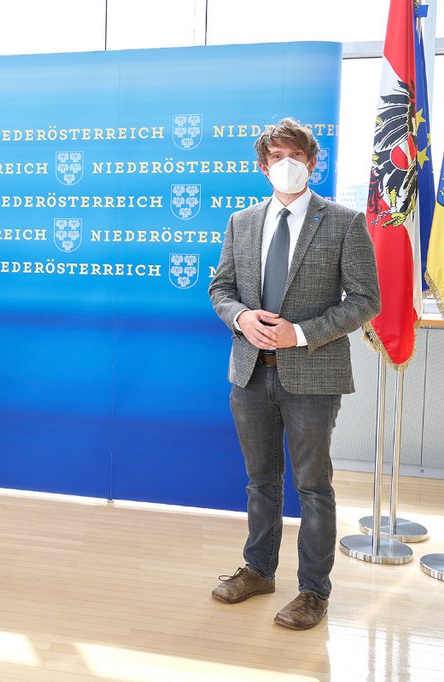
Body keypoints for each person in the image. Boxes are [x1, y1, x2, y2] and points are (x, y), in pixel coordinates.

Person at [208, 119, 381, 629]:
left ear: (312, 163)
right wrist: (241, 317)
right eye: (276, 156)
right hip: (250, 374)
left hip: (313, 375)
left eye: (297, 155)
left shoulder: (345, 222)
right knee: (261, 482)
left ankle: (313, 592)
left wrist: (299, 334)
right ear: (262, 167)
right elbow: (221, 288)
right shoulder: (241, 222)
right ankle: (259, 569)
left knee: (313, 486)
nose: (287, 164)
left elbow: (366, 300)